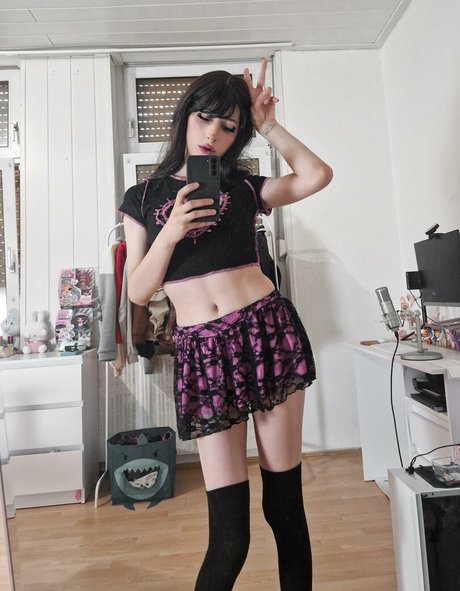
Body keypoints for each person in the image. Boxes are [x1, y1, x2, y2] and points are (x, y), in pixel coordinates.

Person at [118, 58, 333, 591]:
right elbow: (138, 291)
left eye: (229, 126)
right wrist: (171, 230)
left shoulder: (242, 188)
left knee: (285, 510)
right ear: (185, 116)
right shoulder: (142, 198)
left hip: (265, 335)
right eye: (204, 118)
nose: (213, 134)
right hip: (203, 353)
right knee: (229, 535)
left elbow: (316, 176)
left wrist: (268, 125)